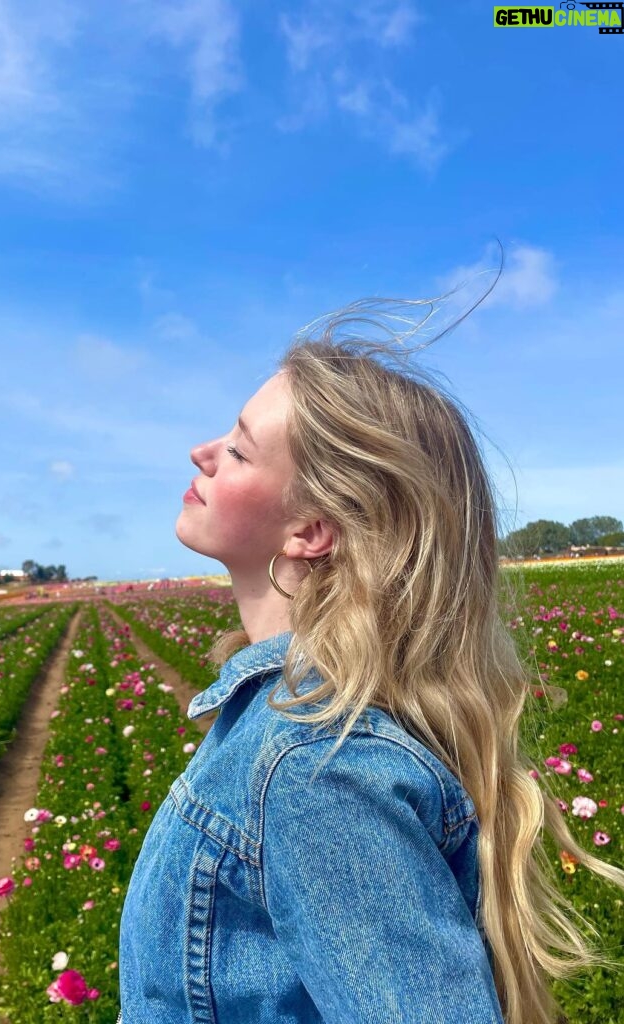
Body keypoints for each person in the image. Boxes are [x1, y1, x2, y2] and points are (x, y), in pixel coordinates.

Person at [117, 302, 624, 1024]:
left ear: (310, 530)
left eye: (236, 450)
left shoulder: (311, 765)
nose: (201, 451)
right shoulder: (300, 736)